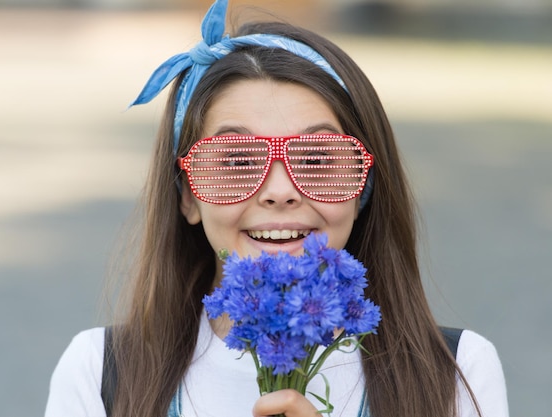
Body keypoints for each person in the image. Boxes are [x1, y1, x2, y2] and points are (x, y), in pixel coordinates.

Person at [44, 1, 509, 416]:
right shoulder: (100, 374)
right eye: (237, 160)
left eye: (319, 159)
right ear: (186, 195)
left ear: (363, 189)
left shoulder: (455, 372)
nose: (280, 190)